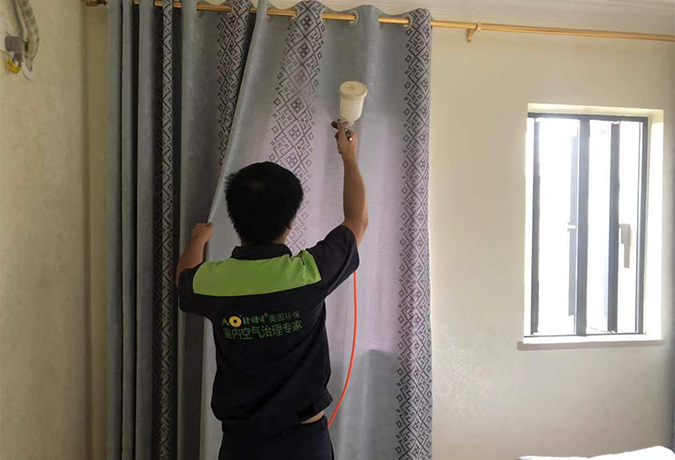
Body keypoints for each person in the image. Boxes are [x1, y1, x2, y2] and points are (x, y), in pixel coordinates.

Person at [175, 120, 368, 460]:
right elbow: (357, 221)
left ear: (236, 220)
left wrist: (198, 241)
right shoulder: (308, 273)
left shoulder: (213, 283)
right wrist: (349, 157)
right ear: (290, 222)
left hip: (241, 446)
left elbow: (183, 277)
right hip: (304, 443)